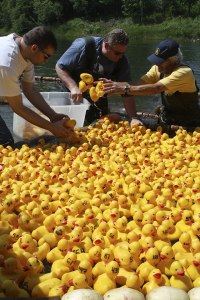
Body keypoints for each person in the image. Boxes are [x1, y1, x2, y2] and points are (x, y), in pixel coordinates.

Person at [102, 39, 200, 128]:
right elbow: (138, 85)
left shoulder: (184, 72)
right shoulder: (158, 69)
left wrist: (123, 89)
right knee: (120, 118)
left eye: (160, 62)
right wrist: (113, 86)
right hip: (167, 119)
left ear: (172, 60)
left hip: (189, 123)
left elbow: (155, 89)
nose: (157, 65)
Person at [0, 25, 70, 147]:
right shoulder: (8, 63)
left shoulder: (25, 52)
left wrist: (52, 116)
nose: (46, 61)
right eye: (46, 56)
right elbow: (18, 108)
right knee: (5, 144)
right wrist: (52, 128)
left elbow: (29, 89)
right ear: (34, 48)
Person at [55, 28, 141, 125]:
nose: (121, 56)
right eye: (117, 53)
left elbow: (127, 92)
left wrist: (134, 117)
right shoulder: (84, 46)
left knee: (98, 125)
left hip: (98, 99)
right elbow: (60, 67)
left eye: (123, 53)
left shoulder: (122, 62)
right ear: (107, 45)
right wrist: (73, 87)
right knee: (68, 124)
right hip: (72, 95)